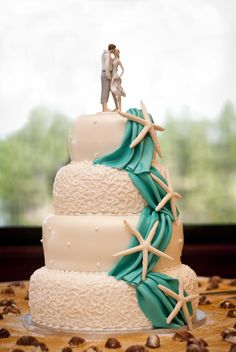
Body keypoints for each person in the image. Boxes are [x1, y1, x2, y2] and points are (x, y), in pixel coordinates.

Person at [100, 44, 117, 112]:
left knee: (104, 90)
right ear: (112, 49)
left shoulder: (104, 54)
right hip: (106, 73)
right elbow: (107, 64)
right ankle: (105, 108)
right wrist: (108, 74)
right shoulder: (108, 55)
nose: (114, 51)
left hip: (103, 73)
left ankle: (104, 108)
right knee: (105, 91)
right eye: (114, 49)